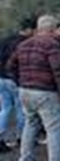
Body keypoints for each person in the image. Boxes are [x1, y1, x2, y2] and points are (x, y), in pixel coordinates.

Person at [7, 15, 60, 161]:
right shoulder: (52, 45)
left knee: (31, 124)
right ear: (52, 30)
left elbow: (10, 66)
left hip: (25, 90)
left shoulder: (23, 44)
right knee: (54, 129)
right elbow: (58, 70)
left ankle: (25, 160)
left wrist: (20, 81)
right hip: (45, 92)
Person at [0, 17, 36, 152]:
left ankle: (0, 138)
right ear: (29, 29)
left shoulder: (5, 39)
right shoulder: (26, 43)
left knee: (5, 109)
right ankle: (22, 138)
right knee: (21, 110)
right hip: (15, 80)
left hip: (1, 78)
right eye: (34, 30)